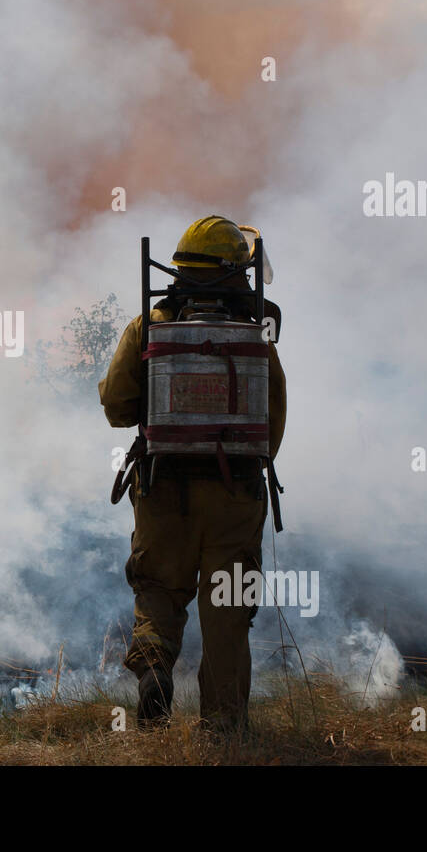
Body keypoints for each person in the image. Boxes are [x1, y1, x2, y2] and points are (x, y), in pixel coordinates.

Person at [99, 216, 286, 731]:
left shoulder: (149, 324)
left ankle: (156, 668)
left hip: (163, 488)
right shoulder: (255, 334)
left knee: (158, 587)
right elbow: (272, 424)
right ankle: (223, 729)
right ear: (234, 272)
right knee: (227, 611)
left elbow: (117, 408)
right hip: (235, 496)